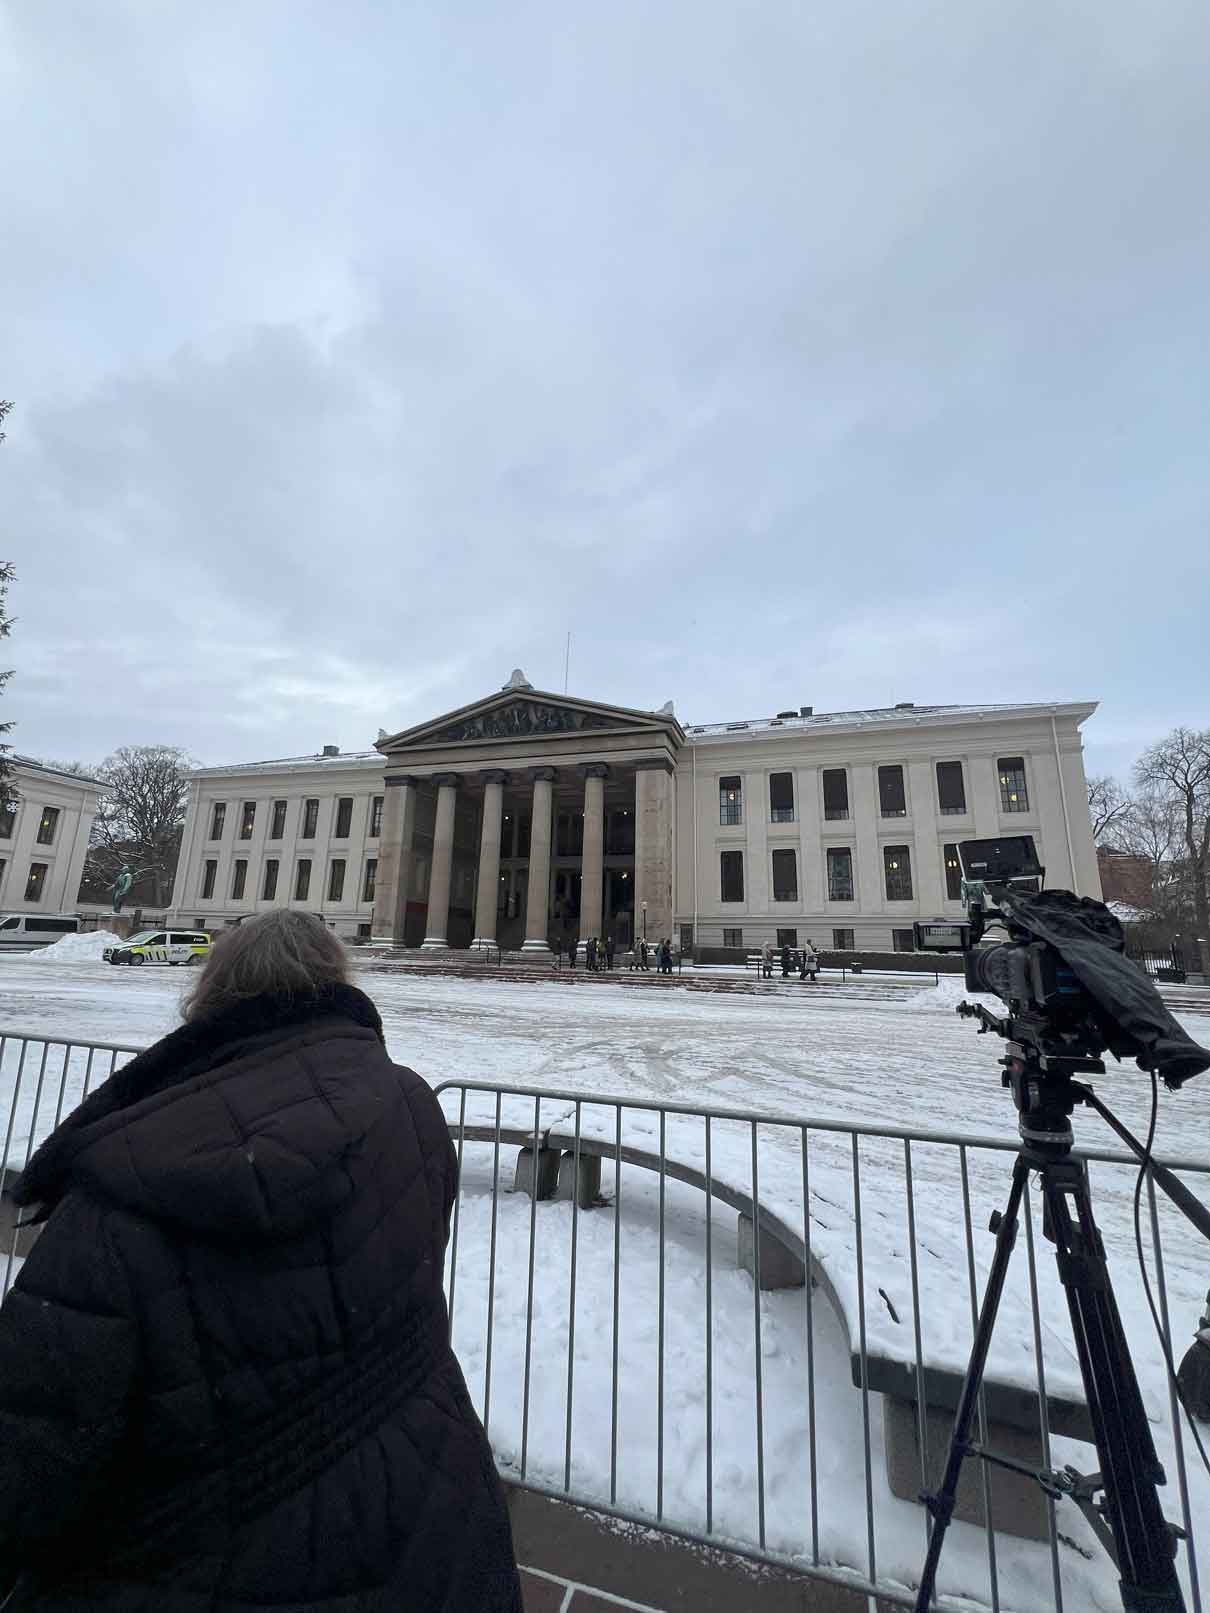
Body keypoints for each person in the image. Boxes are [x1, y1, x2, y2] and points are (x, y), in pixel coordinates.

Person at [0, 911, 521, 1613]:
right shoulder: (410, 1112)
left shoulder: (128, 1185)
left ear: (209, 996)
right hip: (439, 1527)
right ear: (334, 979)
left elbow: (25, 1460)